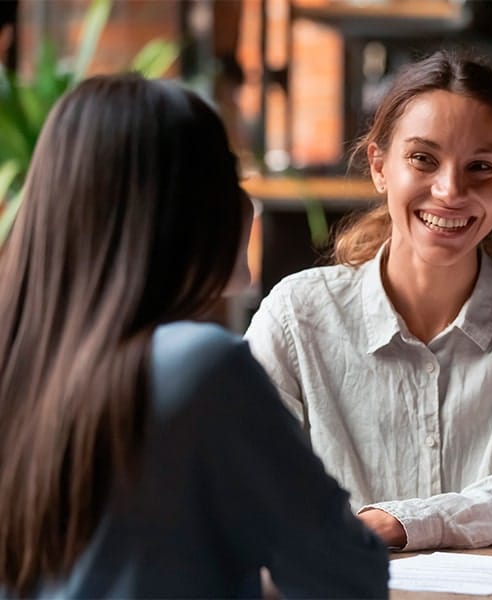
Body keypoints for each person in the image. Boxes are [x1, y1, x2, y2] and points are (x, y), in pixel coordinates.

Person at [0, 73, 388, 599]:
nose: (245, 205)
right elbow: (345, 577)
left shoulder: (21, 360)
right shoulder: (200, 367)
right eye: (230, 179)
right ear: (181, 210)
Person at [244, 50, 492, 551]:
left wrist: (395, 524)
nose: (451, 190)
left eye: (480, 166)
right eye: (423, 159)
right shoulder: (296, 316)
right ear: (378, 166)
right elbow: (250, 482)